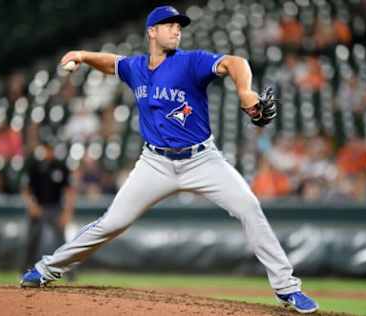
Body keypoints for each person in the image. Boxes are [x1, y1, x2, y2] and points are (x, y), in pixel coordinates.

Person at [21, 6, 318, 314]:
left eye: (179, 26)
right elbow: (112, 64)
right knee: (111, 223)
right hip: (155, 163)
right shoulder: (136, 67)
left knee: (249, 208)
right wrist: (82, 54)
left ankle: (287, 288)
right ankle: (47, 269)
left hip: (202, 160)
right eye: (169, 25)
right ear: (152, 31)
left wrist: (245, 90)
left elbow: (235, 62)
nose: (177, 30)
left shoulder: (191, 62)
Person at [21, 141, 76, 276]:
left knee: (61, 242)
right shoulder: (34, 166)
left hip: (56, 208)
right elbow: (26, 189)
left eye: (50, 148)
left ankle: (69, 274)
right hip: (38, 207)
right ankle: (26, 270)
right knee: (31, 241)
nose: (47, 151)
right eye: (46, 148)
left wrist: (67, 212)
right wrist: (32, 205)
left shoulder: (61, 167)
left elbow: (69, 191)